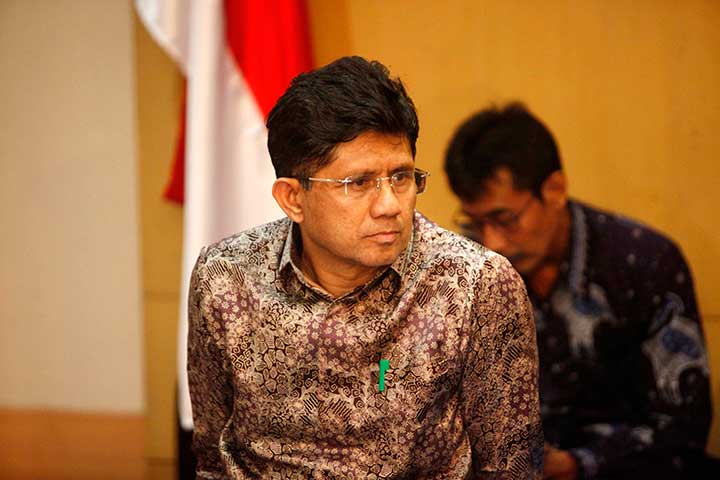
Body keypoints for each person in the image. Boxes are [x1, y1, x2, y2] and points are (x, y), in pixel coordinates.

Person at [187, 57, 544, 479]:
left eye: (401, 177)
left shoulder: (476, 285)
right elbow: (213, 460)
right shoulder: (226, 279)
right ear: (293, 199)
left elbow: (511, 469)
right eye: (358, 183)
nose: (390, 205)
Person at [444, 102, 715, 479]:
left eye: (504, 219)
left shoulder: (643, 263)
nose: (493, 242)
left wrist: (574, 465)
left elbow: (684, 428)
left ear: (555, 189)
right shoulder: (468, 272)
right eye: (475, 223)